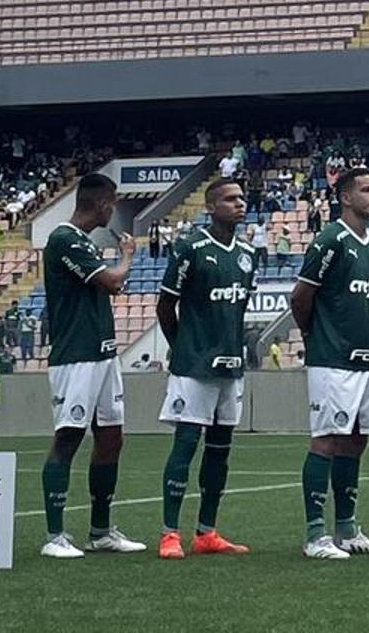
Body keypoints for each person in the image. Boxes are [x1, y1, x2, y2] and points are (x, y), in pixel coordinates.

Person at [38, 173, 144, 558]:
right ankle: (54, 536)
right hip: (76, 355)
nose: (112, 211)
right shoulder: (64, 238)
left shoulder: (81, 242)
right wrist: (128, 256)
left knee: (111, 437)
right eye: (111, 204)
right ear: (103, 204)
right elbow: (113, 282)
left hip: (103, 353)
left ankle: (101, 532)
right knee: (68, 437)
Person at [292, 167, 369, 560]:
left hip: (367, 359)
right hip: (332, 359)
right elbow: (301, 297)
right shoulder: (331, 239)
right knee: (327, 439)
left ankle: (348, 529)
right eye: (367, 189)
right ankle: (315, 534)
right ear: (345, 198)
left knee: (357, 439)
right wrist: (313, 337)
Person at [155, 178, 254, 559]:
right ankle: (169, 534)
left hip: (231, 365)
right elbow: (166, 306)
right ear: (211, 207)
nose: (239, 204)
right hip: (193, 366)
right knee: (185, 446)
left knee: (220, 450)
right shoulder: (190, 247)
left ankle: (206, 532)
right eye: (230, 199)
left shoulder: (247, 253)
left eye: (242, 199)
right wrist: (183, 347)